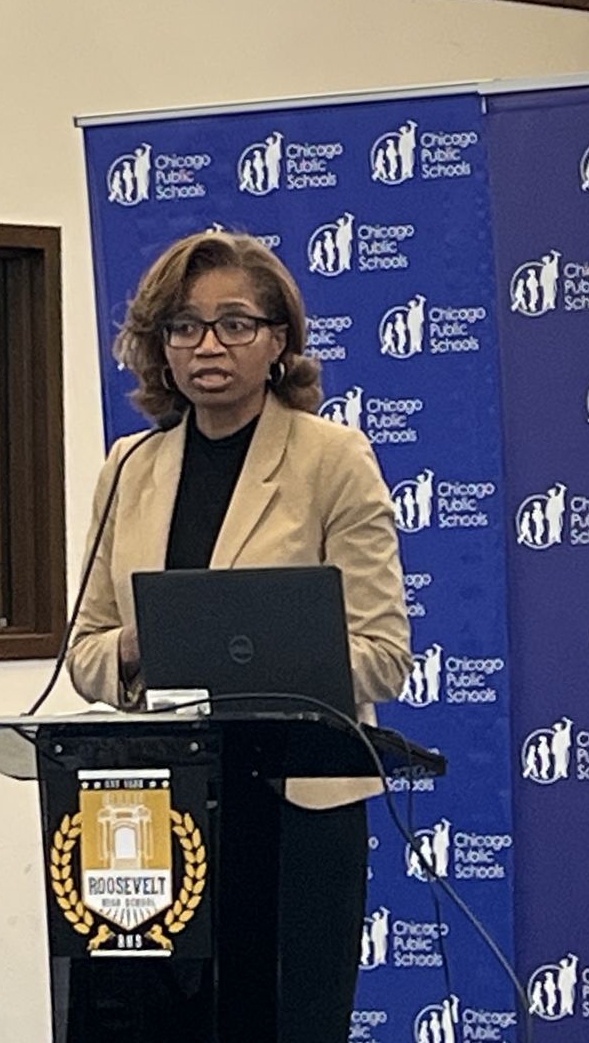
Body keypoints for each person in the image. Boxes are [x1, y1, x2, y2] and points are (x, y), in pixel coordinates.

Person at [65, 229, 411, 1042]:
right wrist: (141, 648)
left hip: (294, 809)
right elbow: (84, 649)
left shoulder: (333, 459)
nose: (207, 345)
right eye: (183, 326)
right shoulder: (129, 466)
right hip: (156, 809)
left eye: (233, 324)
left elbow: (384, 653)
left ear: (279, 341)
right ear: (160, 347)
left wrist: (265, 656)